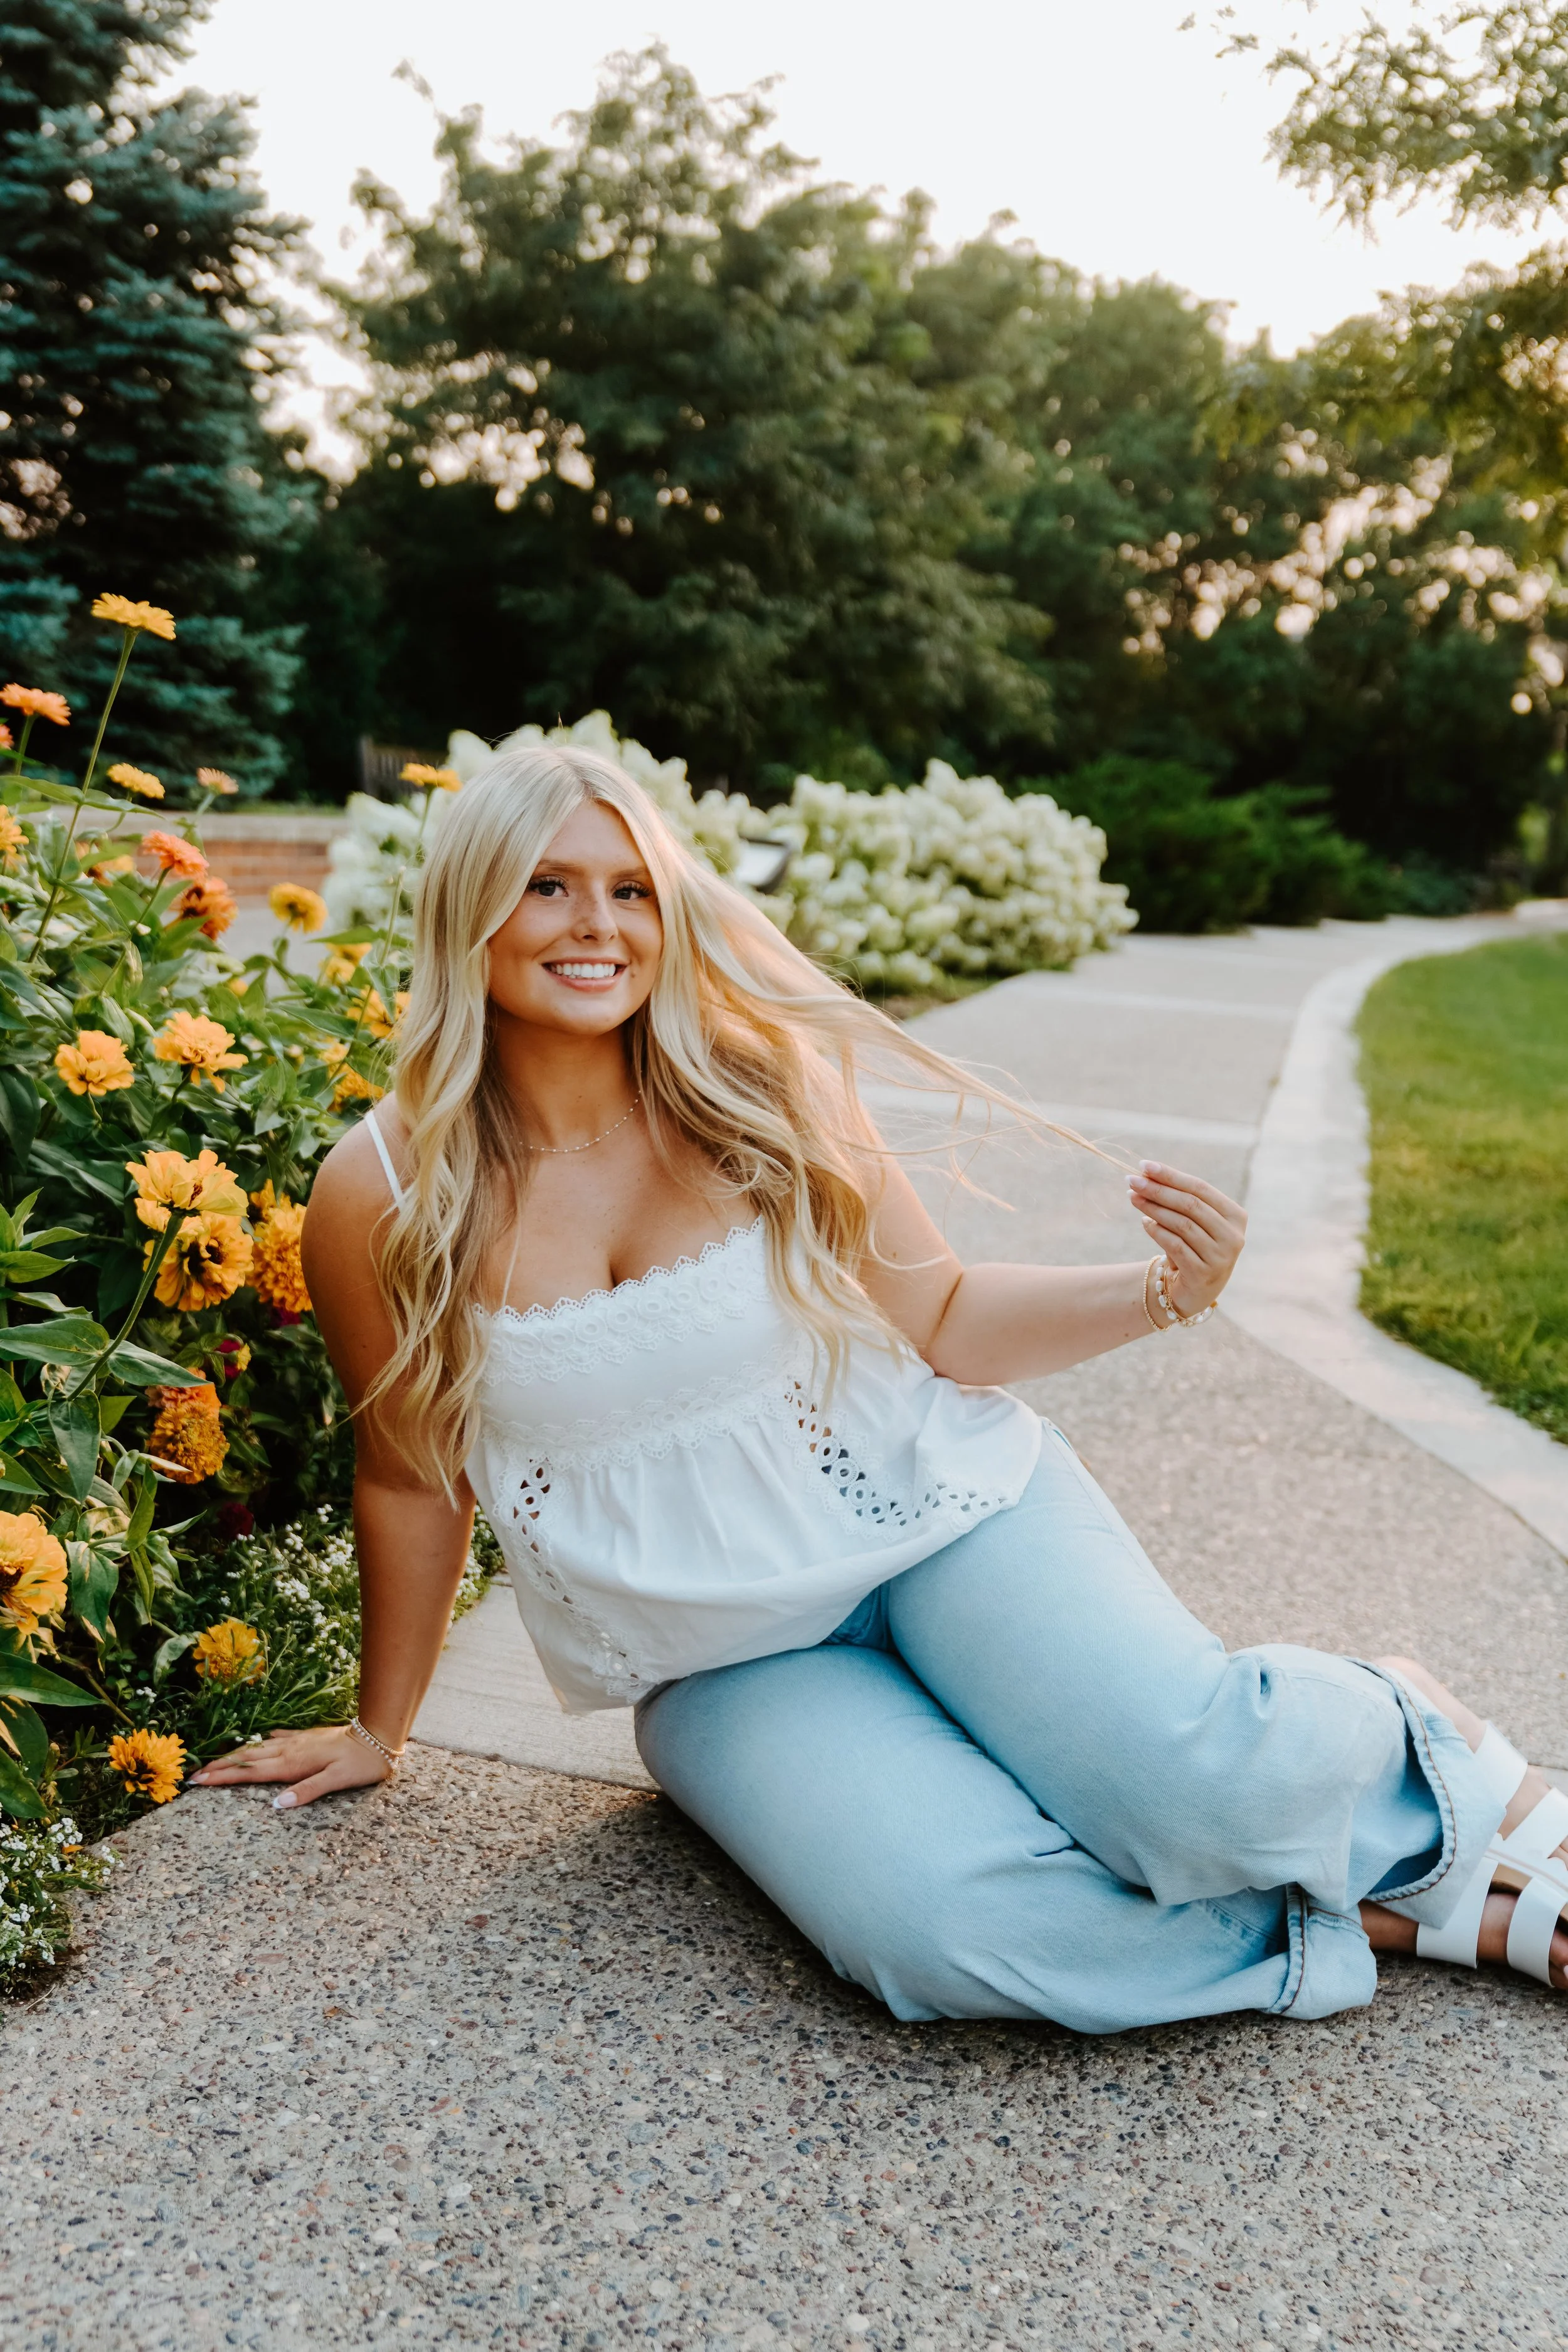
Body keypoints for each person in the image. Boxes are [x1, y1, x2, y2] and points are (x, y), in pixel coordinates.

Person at [192, 746, 1568, 2030]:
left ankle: (1398, 1728)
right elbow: (411, 1473)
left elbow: (949, 1317)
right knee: (941, 1931)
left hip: (940, 1522)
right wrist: (384, 1727)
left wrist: (1164, 1293)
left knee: (1181, 1787)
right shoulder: (379, 1191)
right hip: (722, 1664)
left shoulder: (755, 1087)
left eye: (629, 891)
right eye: (546, 887)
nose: (593, 926)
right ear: (468, 911)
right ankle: (1397, 1910)